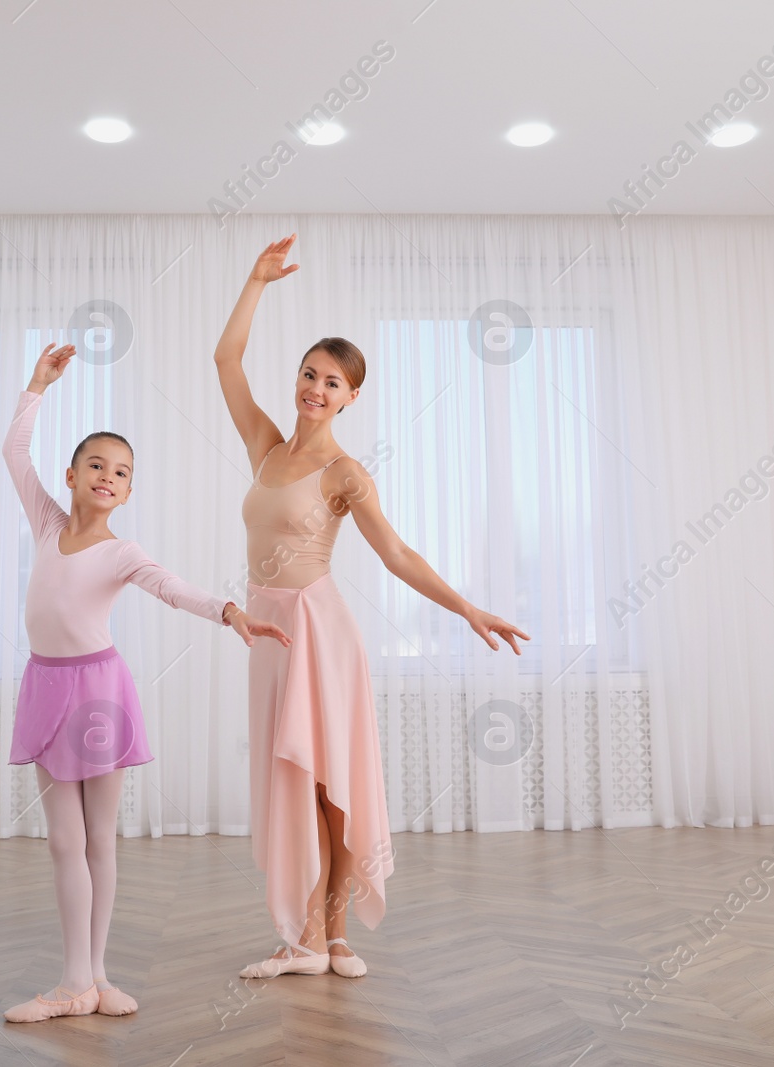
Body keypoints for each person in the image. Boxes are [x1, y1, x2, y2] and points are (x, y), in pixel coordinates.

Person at [214, 235, 531, 979]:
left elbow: (395, 552)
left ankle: (334, 936)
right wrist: (256, 282)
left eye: (333, 383)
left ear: (353, 397)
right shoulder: (264, 447)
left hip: (321, 631)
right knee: (288, 778)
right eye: (309, 375)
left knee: (329, 782)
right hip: (269, 632)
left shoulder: (345, 472)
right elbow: (227, 362)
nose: (316, 389)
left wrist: (466, 608)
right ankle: (297, 939)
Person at [2, 343, 290, 1022]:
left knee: (98, 838)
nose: (108, 475)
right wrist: (36, 387)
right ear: (71, 476)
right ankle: (80, 979)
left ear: (129, 491)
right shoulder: (46, 521)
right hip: (46, 687)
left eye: (121, 470)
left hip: (99, 694)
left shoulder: (123, 551)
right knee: (62, 840)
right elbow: (16, 455)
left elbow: (169, 586)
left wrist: (224, 610)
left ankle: (91, 976)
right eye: (96, 464)